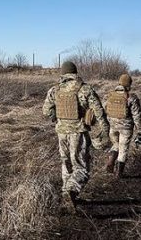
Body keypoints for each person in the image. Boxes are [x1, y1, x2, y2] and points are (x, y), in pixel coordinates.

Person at [43, 61, 109, 212]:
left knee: (66, 164)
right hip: (78, 133)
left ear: (63, 73)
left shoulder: (55, 90)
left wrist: (56, 116)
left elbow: (46, 111)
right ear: (75, 72)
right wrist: (105, 130)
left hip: (61, 133)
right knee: (81, 168)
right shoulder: (85, 89)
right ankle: (70, 191)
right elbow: (99, 112)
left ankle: (68, 197)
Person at [104, 74, 141, 178]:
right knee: (123, 149)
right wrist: (140, 131)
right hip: (126, 128)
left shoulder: (109, 95)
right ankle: (118, 174)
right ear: (129, 85)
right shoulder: (131, 97)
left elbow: (105, 110)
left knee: (116, 144)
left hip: (112, 126)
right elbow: (137, 116)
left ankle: (111, 160)